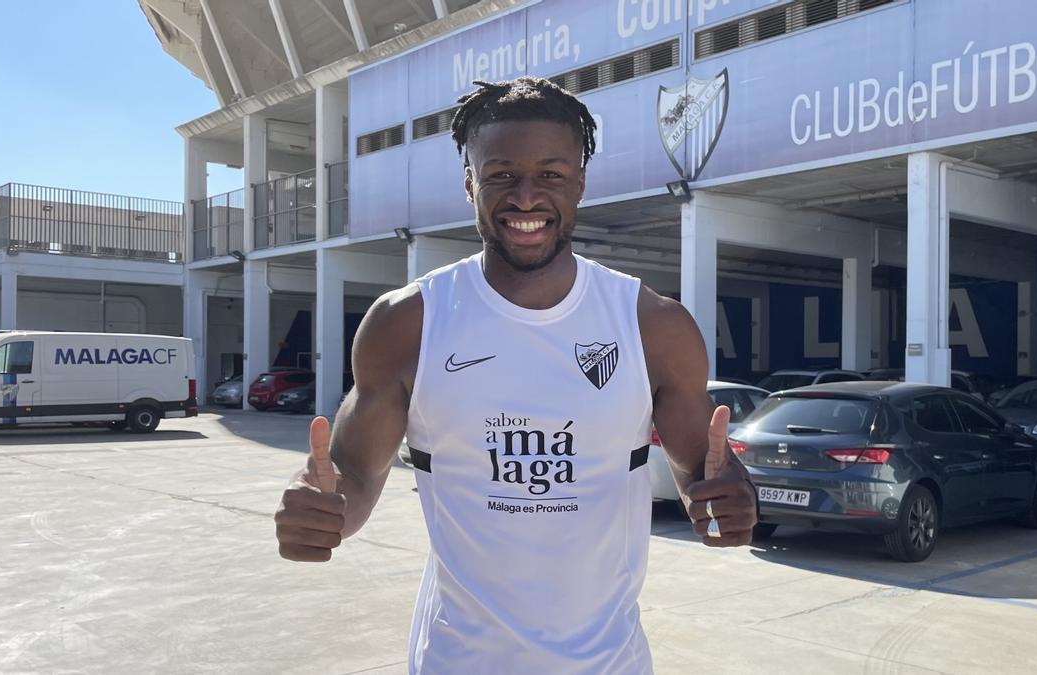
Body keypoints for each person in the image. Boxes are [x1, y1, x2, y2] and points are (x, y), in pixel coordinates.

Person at [275, 77, 759, 674]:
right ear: (469, 182)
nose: (526, 198)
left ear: (580, 182)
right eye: (501, 174)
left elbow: (695, 470)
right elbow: (353, 473)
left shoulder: (652, 325)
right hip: (456, 661)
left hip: (608, 663)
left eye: (551, 174)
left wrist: (728, 495)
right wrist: (322, 511)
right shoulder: (409, 323)